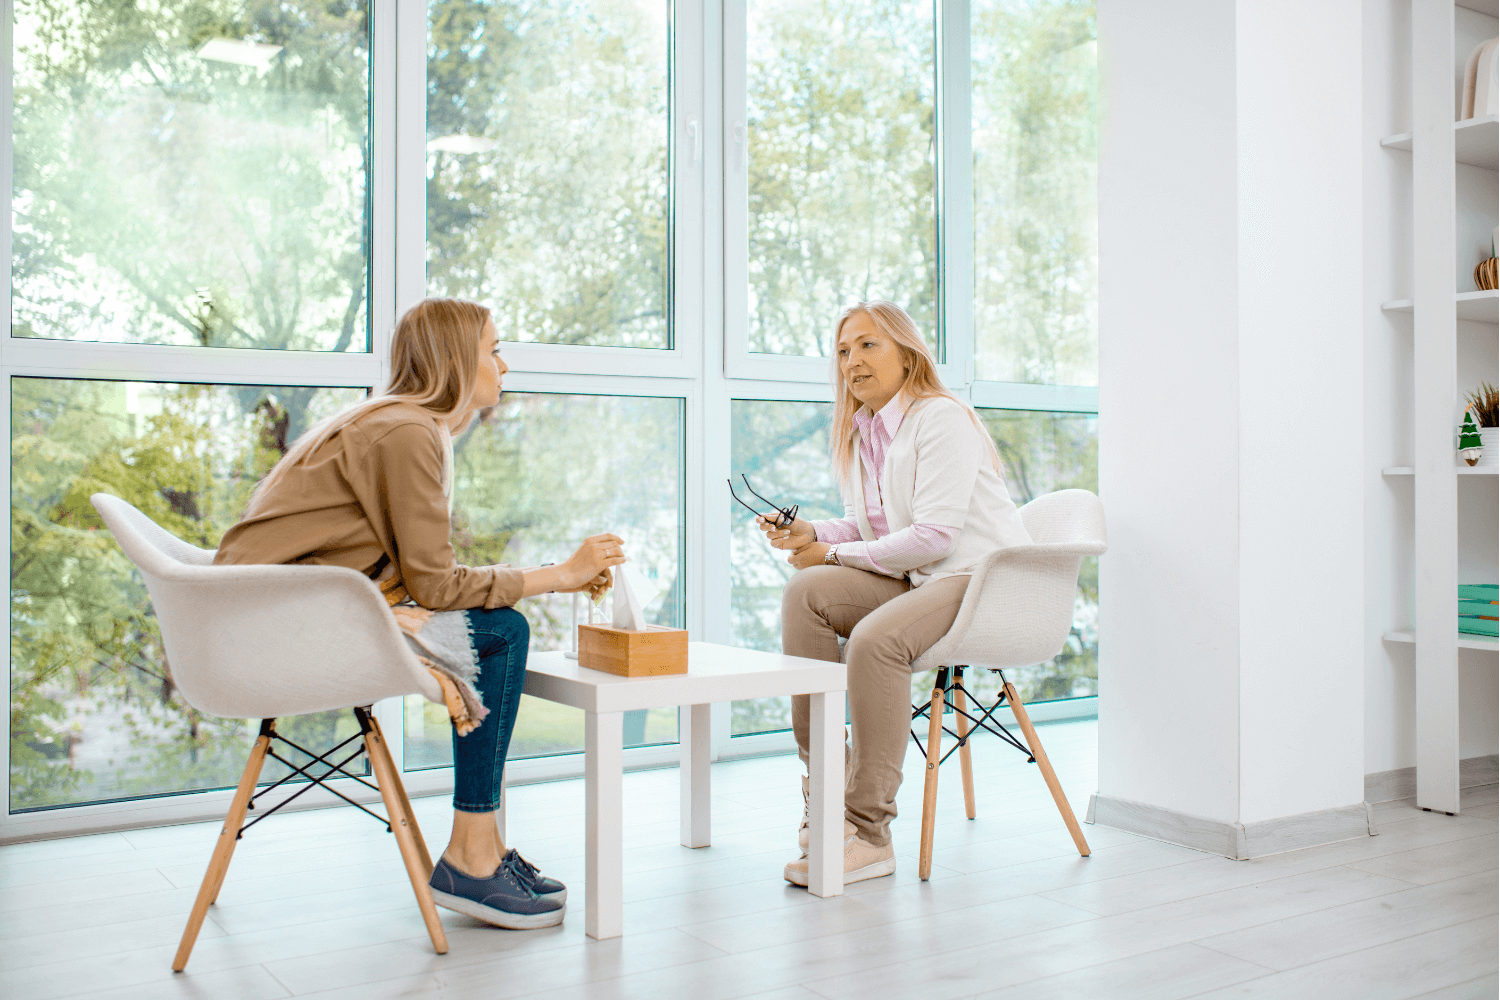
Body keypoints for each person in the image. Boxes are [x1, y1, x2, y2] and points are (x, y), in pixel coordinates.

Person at [216, 297, 625, 929]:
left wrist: (382, 603)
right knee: (501, 633)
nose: (504, 365)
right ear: (458, 360)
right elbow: (436, 584)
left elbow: (403, 575)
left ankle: (479, 850)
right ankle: (471, 855)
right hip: (273, 630)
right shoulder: (407, 432)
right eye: (493, 349)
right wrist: (562, 576)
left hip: (271, 616)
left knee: (492, 630)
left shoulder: (397, 422)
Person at [757, 300, 1030, 886]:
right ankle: (824, 793)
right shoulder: (863, 433)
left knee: (875, 642)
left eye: (867, 345)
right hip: (923, 580)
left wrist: (831, 551)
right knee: (806, 592)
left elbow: (933, 536)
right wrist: (812, 535)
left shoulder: (941, 419)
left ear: (908, 355)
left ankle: (869, 833)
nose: (852, 361)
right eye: (842, 351)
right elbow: (868, 526)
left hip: (980, 580)